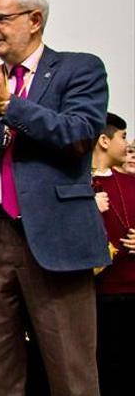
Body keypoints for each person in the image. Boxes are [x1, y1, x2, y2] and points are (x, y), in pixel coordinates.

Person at [0, 0, 108, 396]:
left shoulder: (79, 68)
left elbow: (79, 134)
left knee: (72, 372)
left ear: (35, 21)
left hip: (55, 236)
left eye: (2, 19)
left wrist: (9, 106)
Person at [90, 112, 135, 396]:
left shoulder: (132, 182)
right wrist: (87, 210)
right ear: (104, 141)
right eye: (123, 137)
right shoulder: (77, 185)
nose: (127, 144)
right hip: (93, 295)